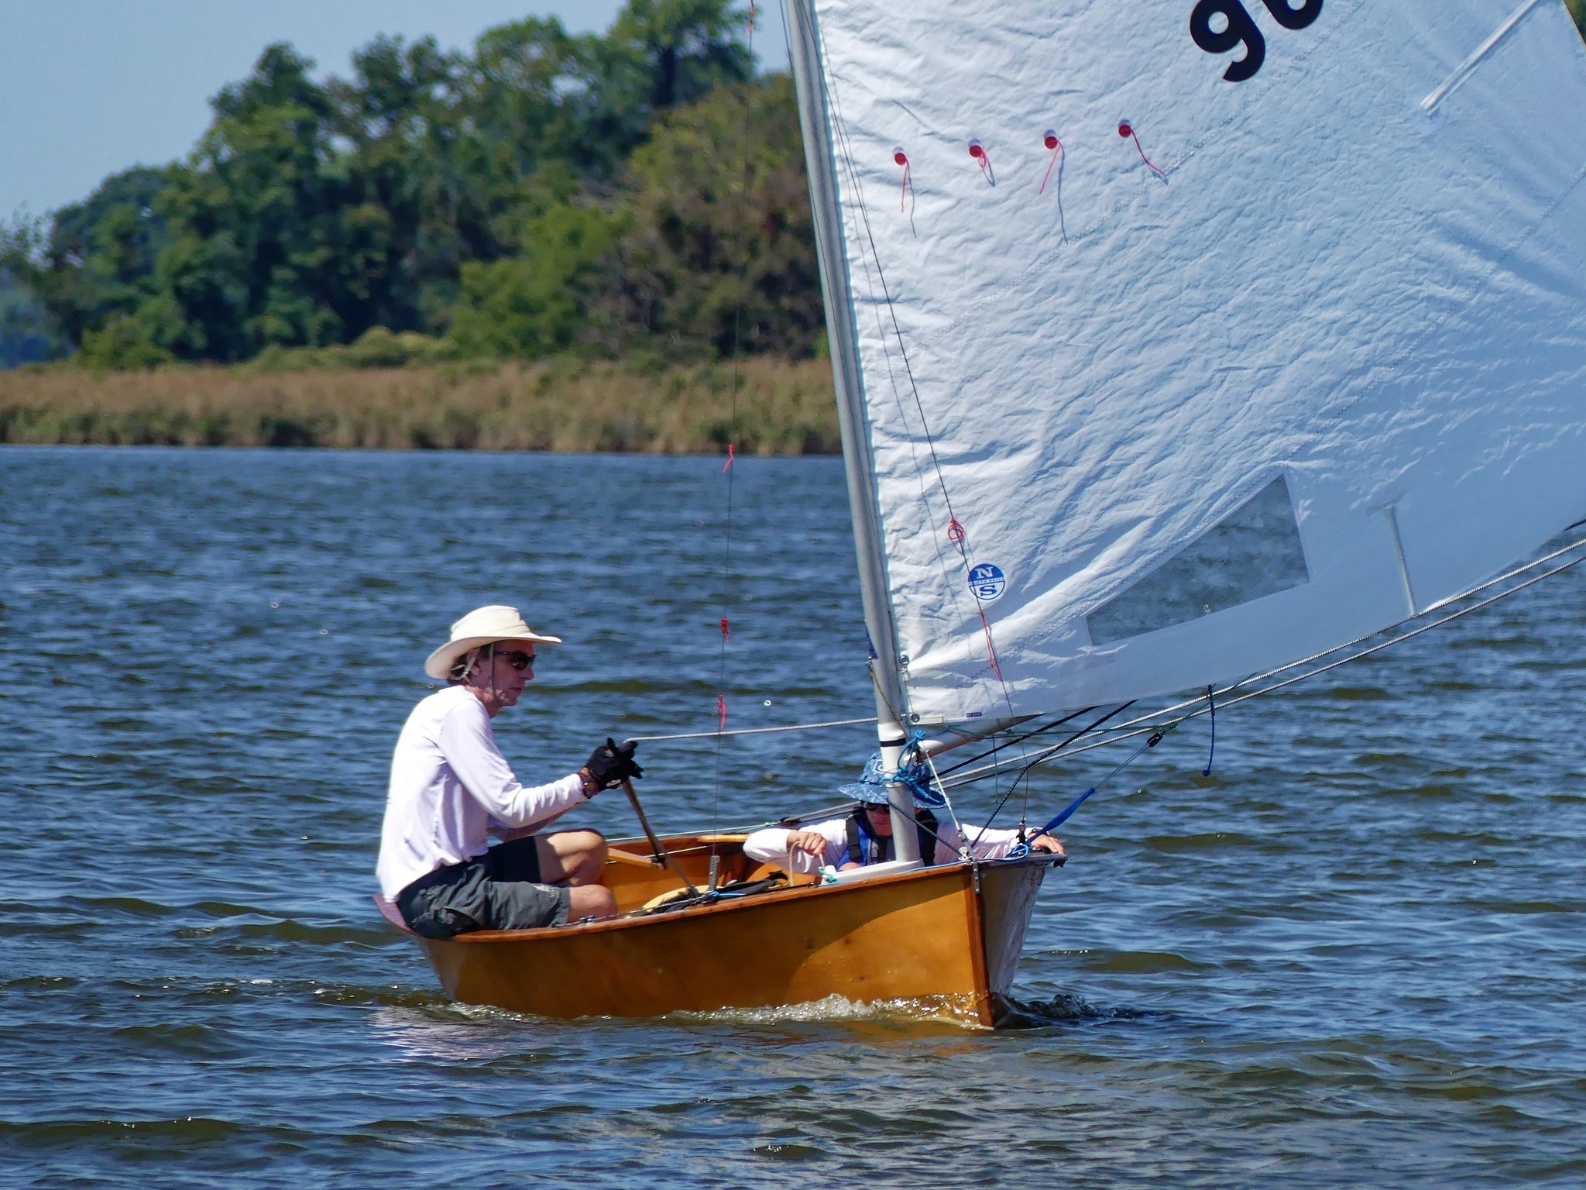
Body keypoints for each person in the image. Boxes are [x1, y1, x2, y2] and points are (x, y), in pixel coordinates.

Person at [376, 604, 643, 938]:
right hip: (438, 894)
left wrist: (593, 784)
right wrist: (585, 779)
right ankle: (560, 939)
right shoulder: (460, 710)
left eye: (530, 661)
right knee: (598, 901)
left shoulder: (454, 708)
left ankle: (547, 934)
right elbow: (513, 810)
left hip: (461, 875)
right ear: (475, 662)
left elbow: (507, 828)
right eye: (517, 661)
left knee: (587, 846)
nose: (529, 674)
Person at [742, 752, 1065, 875]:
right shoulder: (840, 834)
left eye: (890, 806)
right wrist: (794, 837)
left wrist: (1034, 837)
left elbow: (1001, 841)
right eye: (871, 804)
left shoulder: (940, 835)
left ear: (917, 806)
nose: (879, 813)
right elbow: (753, 846)